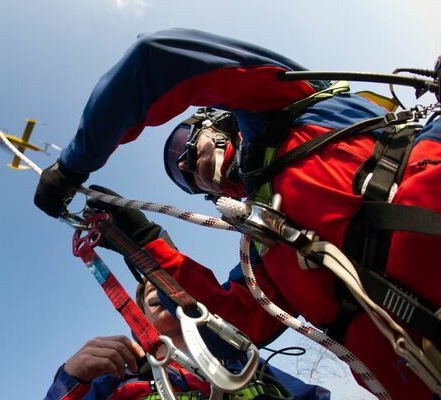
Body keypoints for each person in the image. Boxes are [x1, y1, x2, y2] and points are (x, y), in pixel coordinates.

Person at [33, 28, 441, 399]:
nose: (190, 169)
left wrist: (74, 164)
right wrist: (140, 243)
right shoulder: (265, 253)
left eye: (184, 149)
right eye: (184, 179)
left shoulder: (291, 106)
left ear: (217, 122)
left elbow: (157, 60)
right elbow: (232, 323)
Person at [44, 279, 330, 400]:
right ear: (140, 313)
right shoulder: (118, 373)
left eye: (163, 284)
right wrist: (71, 378)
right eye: (147, 292)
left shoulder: (240, 362)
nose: (155, 288)